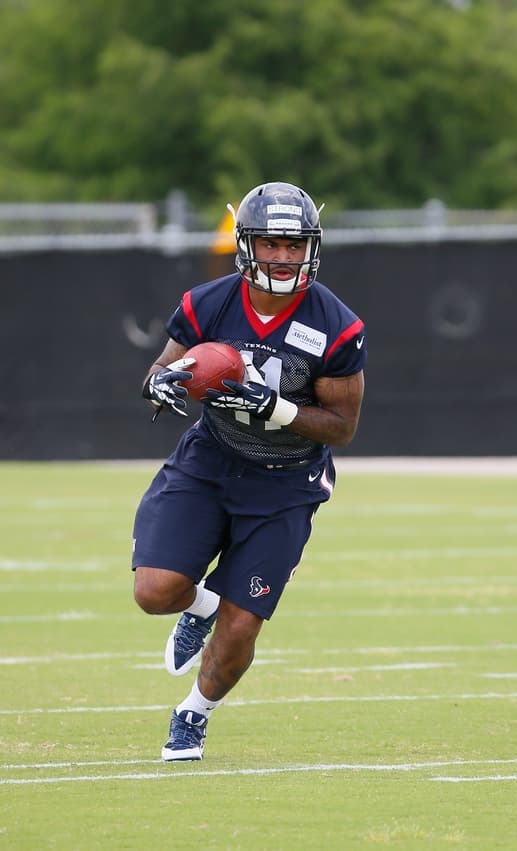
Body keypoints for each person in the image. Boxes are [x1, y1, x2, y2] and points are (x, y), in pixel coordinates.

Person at [133, 181, 367, 761]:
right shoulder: (209, 303)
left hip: (285, 482)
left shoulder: (336, 325)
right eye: (271, 243)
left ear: (311, 246)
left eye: (294, 244)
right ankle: (202, 606)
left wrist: (278, 407)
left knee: (241, 632)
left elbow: (341, 426)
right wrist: (160, 385)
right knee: (155, 591)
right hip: (211, 460)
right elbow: (160, 371)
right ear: (247, 244)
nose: (283, 256)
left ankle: (193, 712)